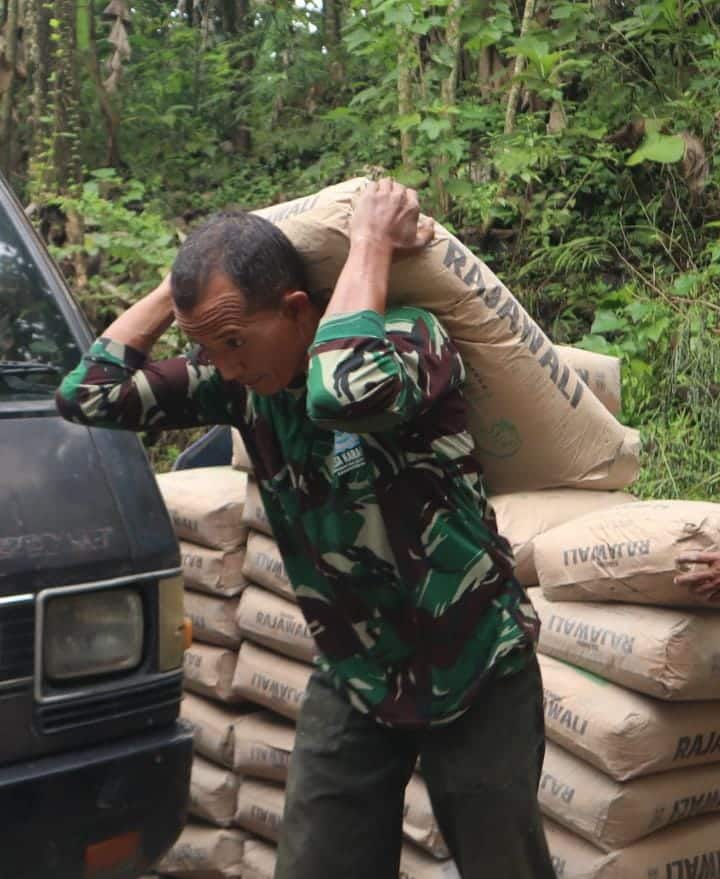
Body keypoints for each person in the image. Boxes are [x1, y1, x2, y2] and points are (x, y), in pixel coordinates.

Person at [56, 178, 555, 879]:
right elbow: (89, 393)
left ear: (296, 309)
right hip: (356, 672)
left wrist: (371, 241)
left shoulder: (411, 341)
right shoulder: (242, 380)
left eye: (235, 340)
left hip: (475, 663)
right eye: (212, 348)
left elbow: (341, 388)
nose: (225, 366)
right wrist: (185, 286)